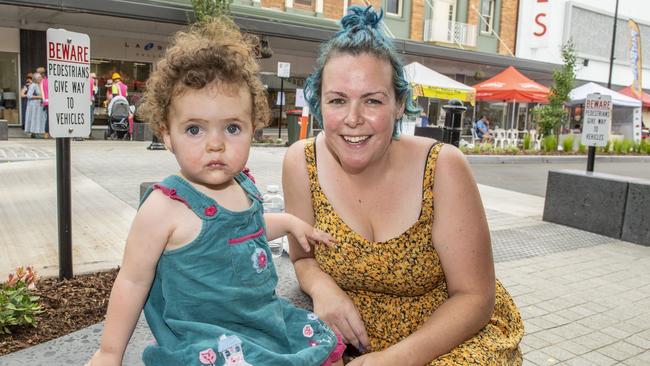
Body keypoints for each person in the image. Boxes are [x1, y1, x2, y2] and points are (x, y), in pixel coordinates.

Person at [86, 16, 345, 366]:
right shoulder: (165, 208)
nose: (216, 144)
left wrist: (287, 223)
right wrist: (109, 352)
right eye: (194, 129)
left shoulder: (244, 185)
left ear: (254, 127)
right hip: (205, 341)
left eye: (232, 128)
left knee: (323, 348)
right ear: (166, 134)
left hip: (261, 322)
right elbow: (132, 281)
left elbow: (242, 233)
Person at [283, 6, 523, 365]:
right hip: (357, 343)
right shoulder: (302, 162)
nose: (353, 119)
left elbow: (474, 297)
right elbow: (303, 257)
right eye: (337, 100)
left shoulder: (442, 167)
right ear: (320, 104)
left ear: (399, 104)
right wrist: (322, 288)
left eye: (372, 101)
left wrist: (396, 359)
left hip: (451, 338)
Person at [23, 72, 47, 137]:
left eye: (40, 77)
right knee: (34, 118)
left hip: (40, 104)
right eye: (38, 77)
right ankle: (34, 133)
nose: (40, 78)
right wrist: (39, 97)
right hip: (33, 105)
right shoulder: (33, 85)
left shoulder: (41, 85)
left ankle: (39, 132)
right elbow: (29, 95)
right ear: (35, 78)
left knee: (40, 118)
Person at [36, 67, 50, 139]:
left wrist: (44, 100)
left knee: (48, 118)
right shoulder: (52, 81)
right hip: (53, 102)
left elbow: (42, 92)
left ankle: (46, 133)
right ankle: (48, 133)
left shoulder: (43, 81)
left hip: (46, 102)